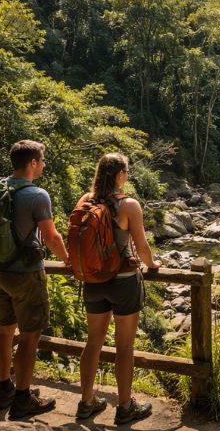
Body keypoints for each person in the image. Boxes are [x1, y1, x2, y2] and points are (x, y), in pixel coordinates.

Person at [76, 153, 161, 424]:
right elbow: (142, 247)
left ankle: (86, 402)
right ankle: (125, 407)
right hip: (123, 281)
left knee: (93, 342)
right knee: (124, 347)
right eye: (126, 171)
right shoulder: (129, 205)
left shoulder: (85, 201)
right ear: (120, 174)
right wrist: (153, 264)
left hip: (92, 281)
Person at [0, 140, 70, 419]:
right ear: (33, 163)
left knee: (4, 330)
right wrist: (68, 259)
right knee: (29, 336)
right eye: (43, 160)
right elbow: (51, 237)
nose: (44, 165)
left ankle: (5, 390)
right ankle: (23, 398)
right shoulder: (37, 195)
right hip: (25, 274)